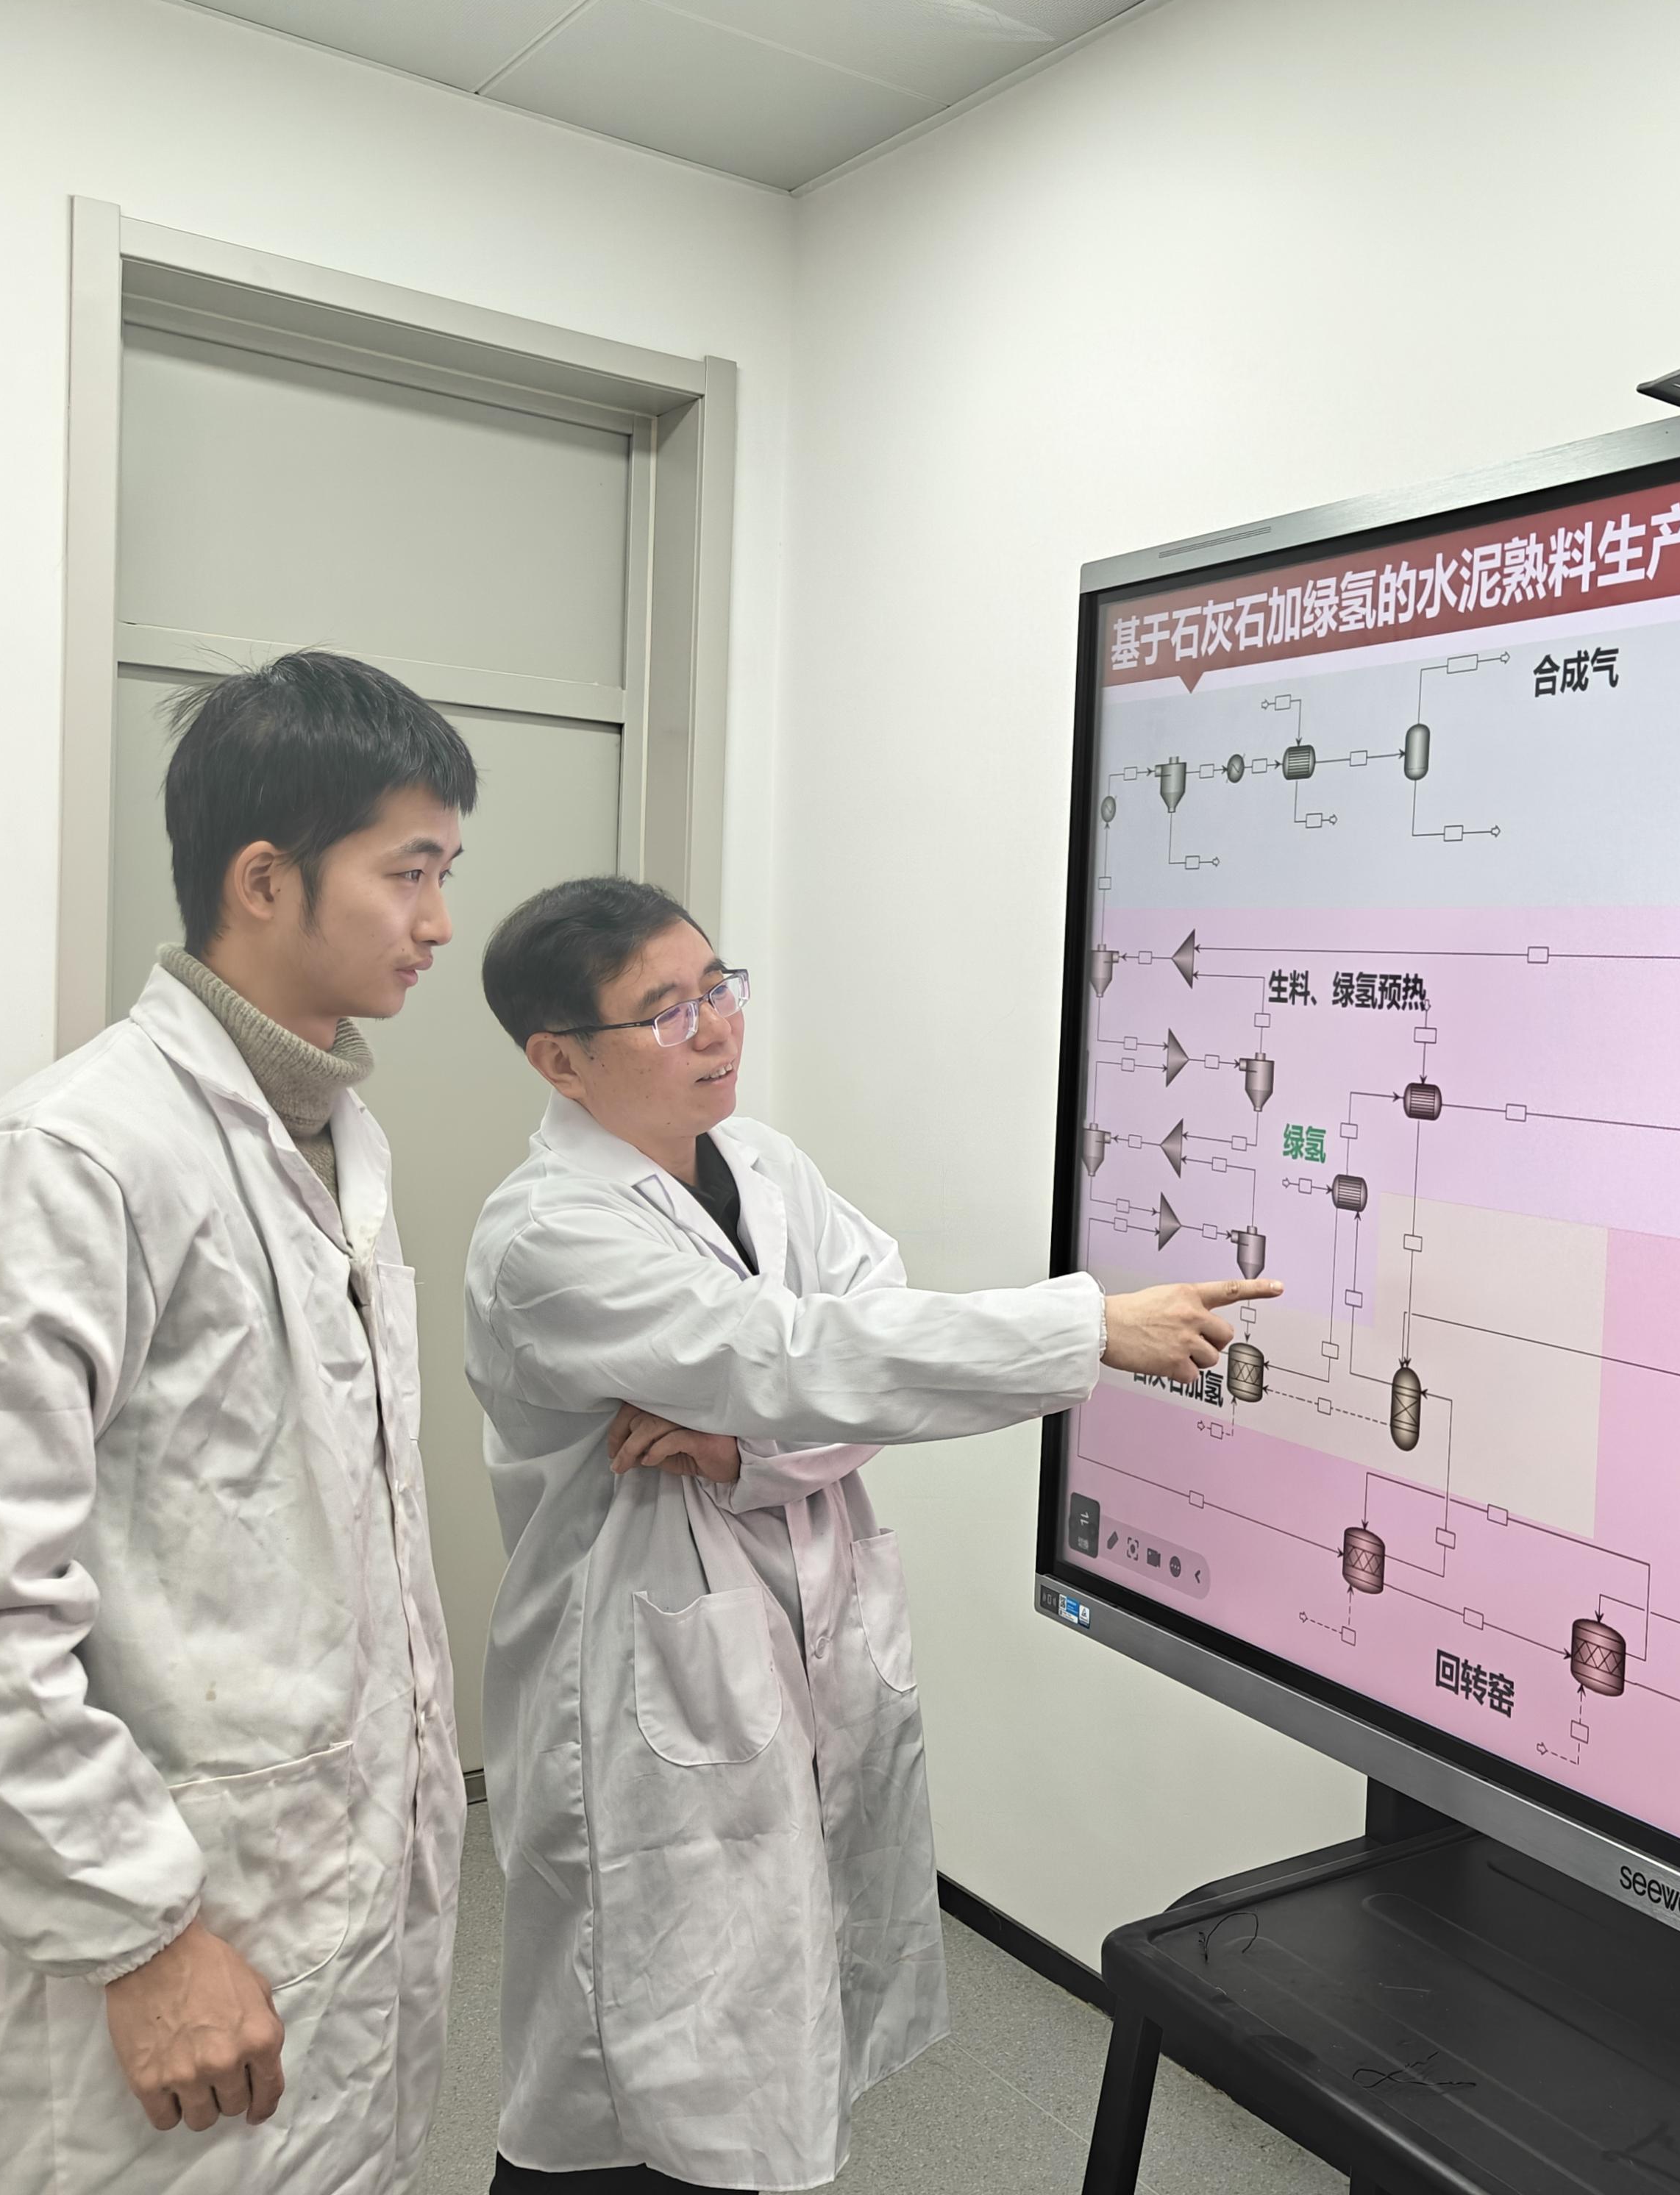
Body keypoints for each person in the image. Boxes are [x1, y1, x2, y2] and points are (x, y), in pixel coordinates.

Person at [466, 876, 1274, 2191]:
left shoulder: (764, 1165)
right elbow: (794, 1356)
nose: (716, 1029)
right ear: (561, 1059)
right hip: (637, 1684)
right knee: (627, 2072)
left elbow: (861, 1349)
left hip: (796, 1644)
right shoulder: (547, 1236)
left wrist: (742, 1449)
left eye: (718, 987)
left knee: (770, 2032)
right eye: (665, 1013)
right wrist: (1086, 1327)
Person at [0, 652, 475, 2190]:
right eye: (408, 873)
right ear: (264, 879)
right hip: (165, 1919)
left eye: (446, 876)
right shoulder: (79, 1153)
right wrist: (136, 1933)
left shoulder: (338, 1138)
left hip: (329, 1895)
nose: (439, 924)